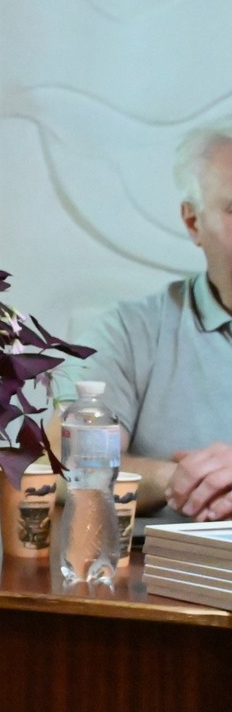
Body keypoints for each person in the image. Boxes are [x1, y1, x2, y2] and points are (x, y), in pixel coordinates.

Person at [80, 122, 232, 521]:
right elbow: (68, 463)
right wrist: (182, 479)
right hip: (164, 562)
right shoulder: (129, 331)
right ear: (193, 222)